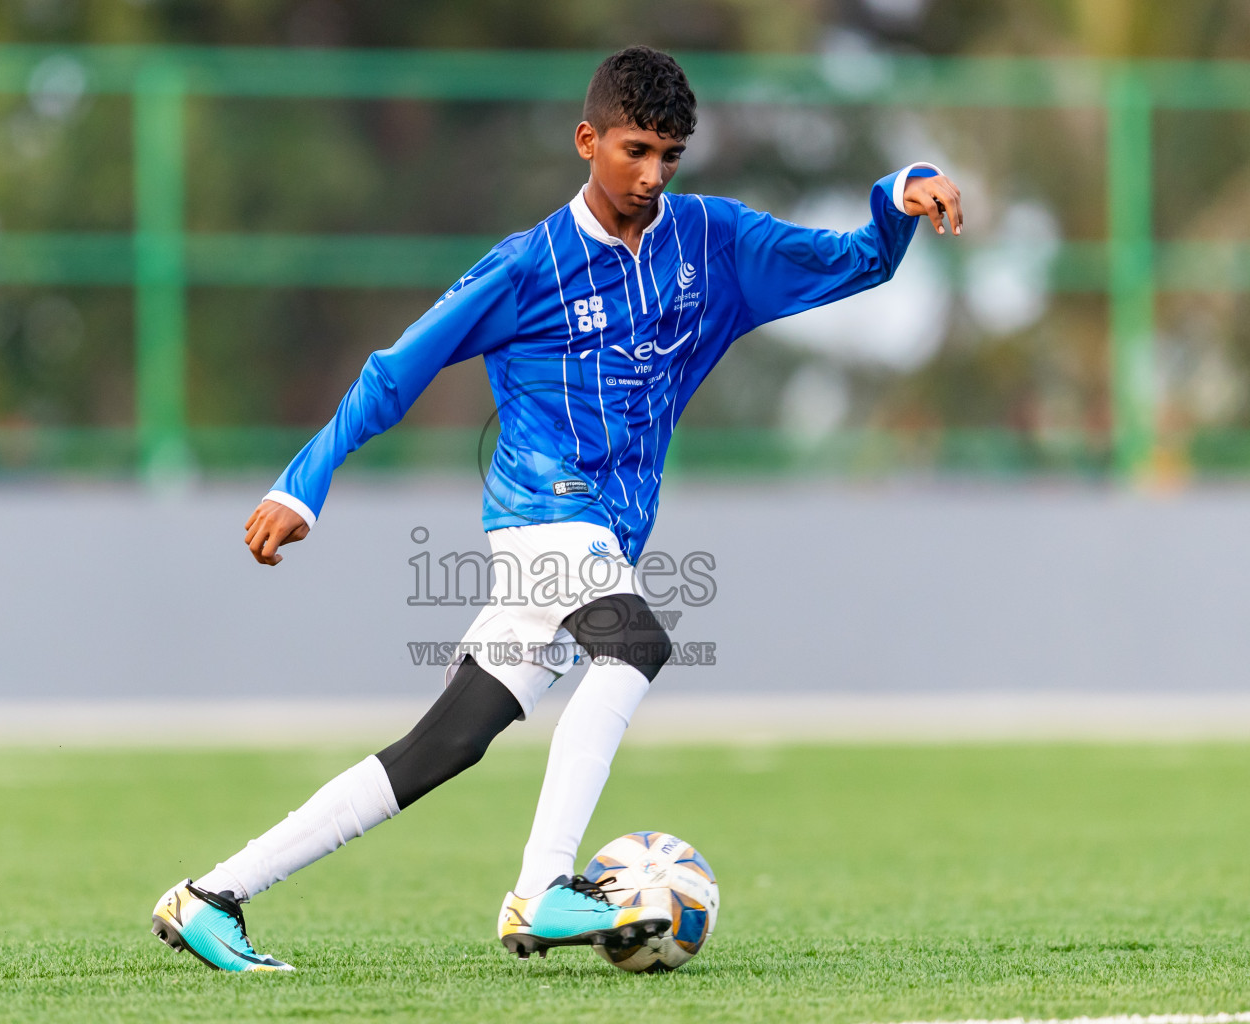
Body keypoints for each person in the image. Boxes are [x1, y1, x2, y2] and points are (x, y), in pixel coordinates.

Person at [150, 44, 964, 972]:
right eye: (633, 151)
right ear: (587, 141)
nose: (652, 175)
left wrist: (898, 193)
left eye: (669, 155)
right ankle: (542, 888)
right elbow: (395, 371)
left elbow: (855, 263)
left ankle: (212, 896)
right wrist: (304, 481)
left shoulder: (715, 243)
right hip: (542, 516)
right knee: (638, 642)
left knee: (445, 744)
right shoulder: (526, 266)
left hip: (601, 537)